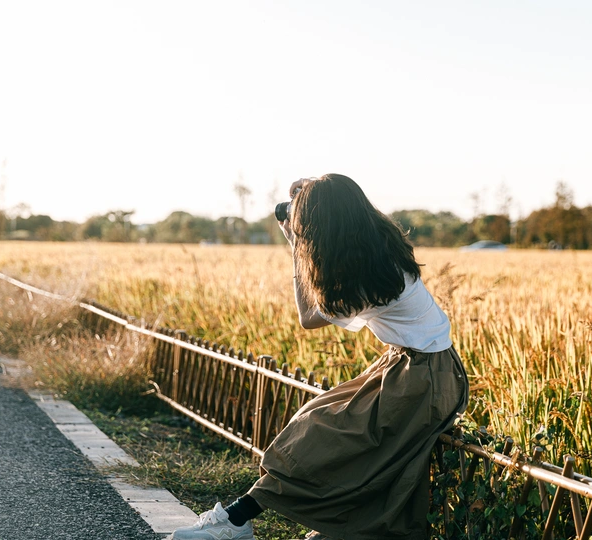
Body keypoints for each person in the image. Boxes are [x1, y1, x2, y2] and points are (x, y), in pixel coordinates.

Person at [172, 174, 469, 540]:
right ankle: (242, 518)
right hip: (413, 367)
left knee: (321, 434)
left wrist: (296, 246)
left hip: (423, 378)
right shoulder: (378, 249)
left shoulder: (372, 275)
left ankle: (236, 521)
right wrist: (310, 191)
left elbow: (308, 318)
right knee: (314, 421)